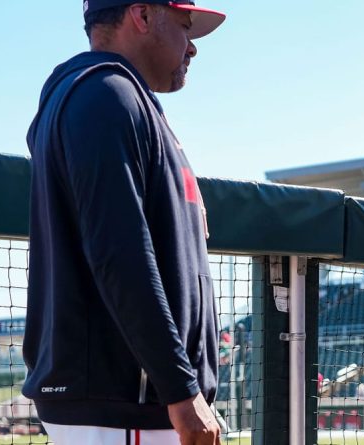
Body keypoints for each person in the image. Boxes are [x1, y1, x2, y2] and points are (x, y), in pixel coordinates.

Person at [23, 2, 226, 444]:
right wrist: (180, 388)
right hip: (127, 402)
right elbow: (120, 253)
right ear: (142, 16)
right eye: (185, 26)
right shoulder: (104, 94)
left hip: (138, 400)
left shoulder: (120, 97)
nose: (192, 47)